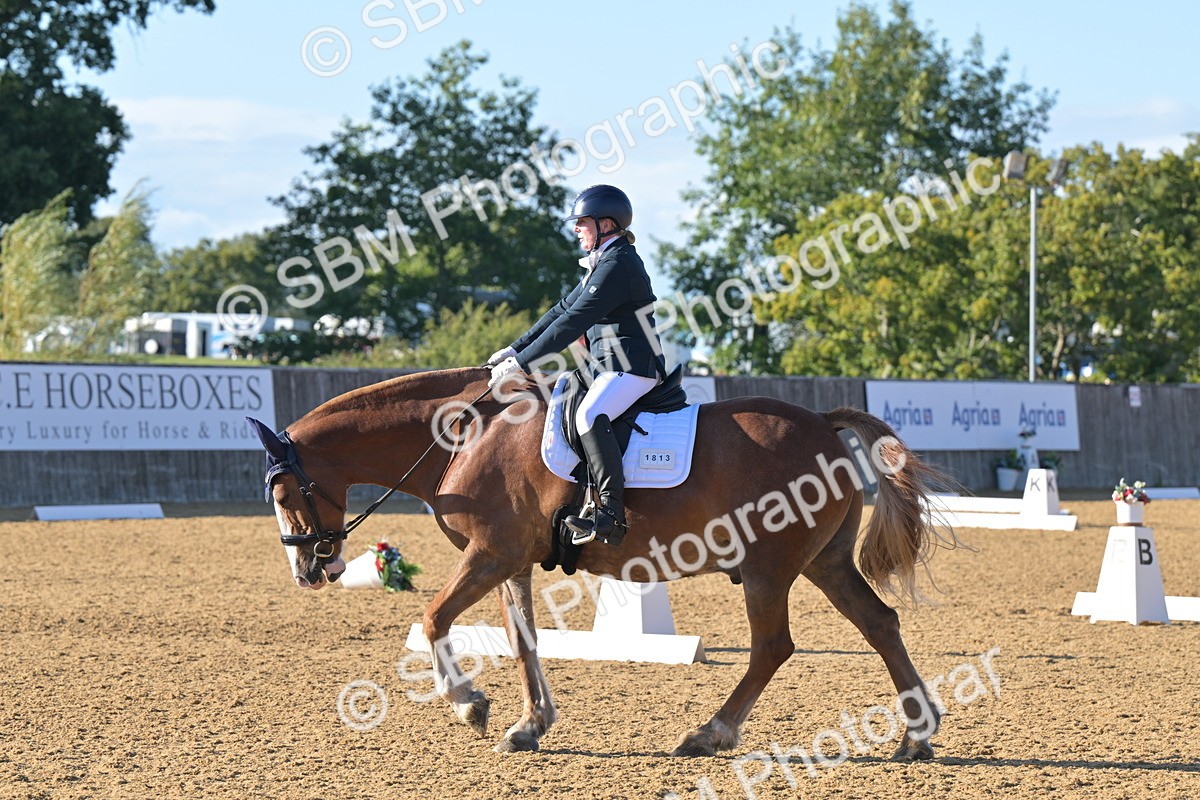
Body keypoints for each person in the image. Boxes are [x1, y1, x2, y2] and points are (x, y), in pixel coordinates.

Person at [487, 184, 666, 545]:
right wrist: (514, 349)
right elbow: (561, 310)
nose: (576, 229)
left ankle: (610, 514)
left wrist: (523, 364)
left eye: (582, 222)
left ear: (606, 223)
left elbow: (577, 320)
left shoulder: (619, 263)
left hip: (632, 366)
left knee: (589, 416)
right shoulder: (602, 261)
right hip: (605, 365)